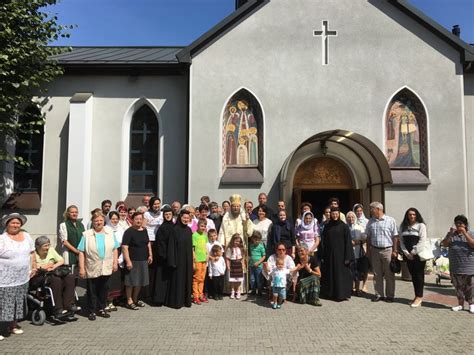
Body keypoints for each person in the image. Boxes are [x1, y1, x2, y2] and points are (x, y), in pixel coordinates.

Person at [78, 212, 119, 321]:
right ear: (93, 222)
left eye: (101, 220)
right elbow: (81, 252)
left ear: (104, 221)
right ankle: (91, 311)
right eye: (96, 221)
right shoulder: (86, 234)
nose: (99, 222)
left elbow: (115, 248)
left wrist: (115, 263)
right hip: (92, 266)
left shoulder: (109, 232)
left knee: (104, 289)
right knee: (92, 290)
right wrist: (82, 268)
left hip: (106, 266)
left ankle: (102, 308)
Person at [0, 213, 35, 340]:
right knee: (3, 304)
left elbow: (32, 252)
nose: (16, 225)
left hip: (22, 277)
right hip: (5, 279)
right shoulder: (2, 239)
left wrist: (34, 266)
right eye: (13, 223)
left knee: (17, 303)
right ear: (7, 224)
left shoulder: (26, 236)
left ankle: (13, 326)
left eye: (18, 223)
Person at [33, 236, 77, 321]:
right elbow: (33, 267)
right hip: (40, 276)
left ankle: (69, 305)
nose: (47, 248)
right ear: (38, 246)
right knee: (56, 280)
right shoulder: (33, 254)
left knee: (70, 277)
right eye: (45, 246)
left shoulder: (51, 250)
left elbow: (61, 260)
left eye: (48, 245)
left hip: (53, 272)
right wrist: (45, 267)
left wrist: (53, 266)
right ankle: (58, 309)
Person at [365, 201, 399, 303]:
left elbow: (395, 236)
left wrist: (395, 250)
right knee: (377, 274)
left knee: (389, 274)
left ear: (378, 209)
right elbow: (368, 236)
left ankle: (390, 295)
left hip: (387, 250)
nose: (371, 211)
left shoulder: (390, 220)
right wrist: (368, 250)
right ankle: (379, 294)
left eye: (372, 209)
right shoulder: (370, 221)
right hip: (375, 250)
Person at [441, 215, 474, 313]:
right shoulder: (451, 234)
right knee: (458, 287)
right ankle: (460, 305)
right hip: (455, 266)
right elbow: (445, 244)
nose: (458, 225)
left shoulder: (471, 233)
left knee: (470, 286)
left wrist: (464, 233)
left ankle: (471, 304)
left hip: (469, 266)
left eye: (461, 223)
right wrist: (450, 234)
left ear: (465, 225)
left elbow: (473, 244)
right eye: (457, 223)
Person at [320, 207, 354, 301]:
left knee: (340, 275)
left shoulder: (344, 226)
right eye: (333, 214)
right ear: (330, 215)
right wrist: (323, 255)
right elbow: (324, 241)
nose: (335, 216)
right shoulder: (327, 226)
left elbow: (348, 242)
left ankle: (341, 294)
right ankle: (330, 293)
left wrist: (348, 257)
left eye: (336, 214)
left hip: (341, 255)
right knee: (330, 274)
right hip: (329, 255)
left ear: (339, 214)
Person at [121, 212, 152, 310]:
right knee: (130, 282)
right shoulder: (129, 232)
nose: (139, 221)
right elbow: (125, 247)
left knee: (139, 281)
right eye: (136, 219)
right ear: (132, 220)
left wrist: (150, 254)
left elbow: (148, 243)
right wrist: (128, 261)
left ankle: (135, 299)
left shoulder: (144, 230)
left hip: (143, 259)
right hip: (133, 260)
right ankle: (129, 300)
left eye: (140, 219)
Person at [399, 208, 429, 308]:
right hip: (408, 256)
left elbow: (422, 241)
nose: (412, 216)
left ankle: (419, 297)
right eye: (410, 214)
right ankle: (417, 296)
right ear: (407, 216)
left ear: (417, 215)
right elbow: (401, 241)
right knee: (413, 276)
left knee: (419, 276)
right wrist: (406, 253)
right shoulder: (403, 226)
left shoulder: (421, 226)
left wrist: (413, 252)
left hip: (418, 256)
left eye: (414, 214)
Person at [166, 209, 193, 309]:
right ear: (180, 218)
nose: (186, 220)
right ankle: (177, 302)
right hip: (178, 260)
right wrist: (172, 261)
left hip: (187, 260)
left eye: (187, 218)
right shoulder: (175, 229)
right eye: (184, 218)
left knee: (186, 279)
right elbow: (171, 246)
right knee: (178, 281)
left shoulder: (189, 230)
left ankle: (186, 301)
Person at [151, 205, 174, 306]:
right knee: (161, 279)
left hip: (171, 258)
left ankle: (167, 298)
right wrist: (164, 255)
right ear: (163, 216)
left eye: (169, 214)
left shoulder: (174, 226)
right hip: (163, 258)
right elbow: (160, 243)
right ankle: (158, 299)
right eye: (166, 214)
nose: (168, 216)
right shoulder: (161, 228)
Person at [105, 211, 124, 311]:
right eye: (113, 219)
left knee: (116, 280)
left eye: (116, 218)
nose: (115, 220)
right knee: (108, 280)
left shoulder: (120, 228)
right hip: (109, 255)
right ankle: (106, 301)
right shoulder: (106, 229)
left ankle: (113, 301)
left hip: (120, 254)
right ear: (109, 219)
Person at [59, 205, 85, 271]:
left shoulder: (81, 224)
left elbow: (84, 238)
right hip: (69, 252)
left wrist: (81, 251)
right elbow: (64, 241)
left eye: (76, 212)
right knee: (70, 273)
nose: (74, 214)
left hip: (80, 252)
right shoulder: (63, 225)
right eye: (72, 212)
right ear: (68, 213)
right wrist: (76, 251)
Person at [346, 211, 367, 296]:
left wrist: (358, 241)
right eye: (349, 217)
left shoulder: (360, 227)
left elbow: (365, 238)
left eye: (352, 217)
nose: (351, 219)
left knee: (357, 272)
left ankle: (357, 289)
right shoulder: (345, 228)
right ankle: (350, 289)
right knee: (349, 272)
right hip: (348, 253)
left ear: (355, 218)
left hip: (358, 253)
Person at [192, 219, 209, 305]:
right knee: (197, 278)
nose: (203, 228)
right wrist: (194, 259)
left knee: (202, 278)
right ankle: (196, 296)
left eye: (204, 226)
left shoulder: (205, 235)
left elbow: (206, 246)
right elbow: (193, 248)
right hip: (197, 260)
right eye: (201, 226)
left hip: (203, 259)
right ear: (197, 226)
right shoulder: (194, 235)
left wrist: (207, 255)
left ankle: (201, 294)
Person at [225, 233, 246, 299]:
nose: (237, 243)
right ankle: (232, 291)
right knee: (233, 280)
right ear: (233, 240)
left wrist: (243, 265)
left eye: (239, 242)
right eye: (236, 241)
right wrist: (228, 266)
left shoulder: (241, 249)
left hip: (239, 264)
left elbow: (242, 258)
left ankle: (238, 291)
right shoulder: (230, 249)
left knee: (239, 280)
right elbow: (227, 258)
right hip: (233, 264)